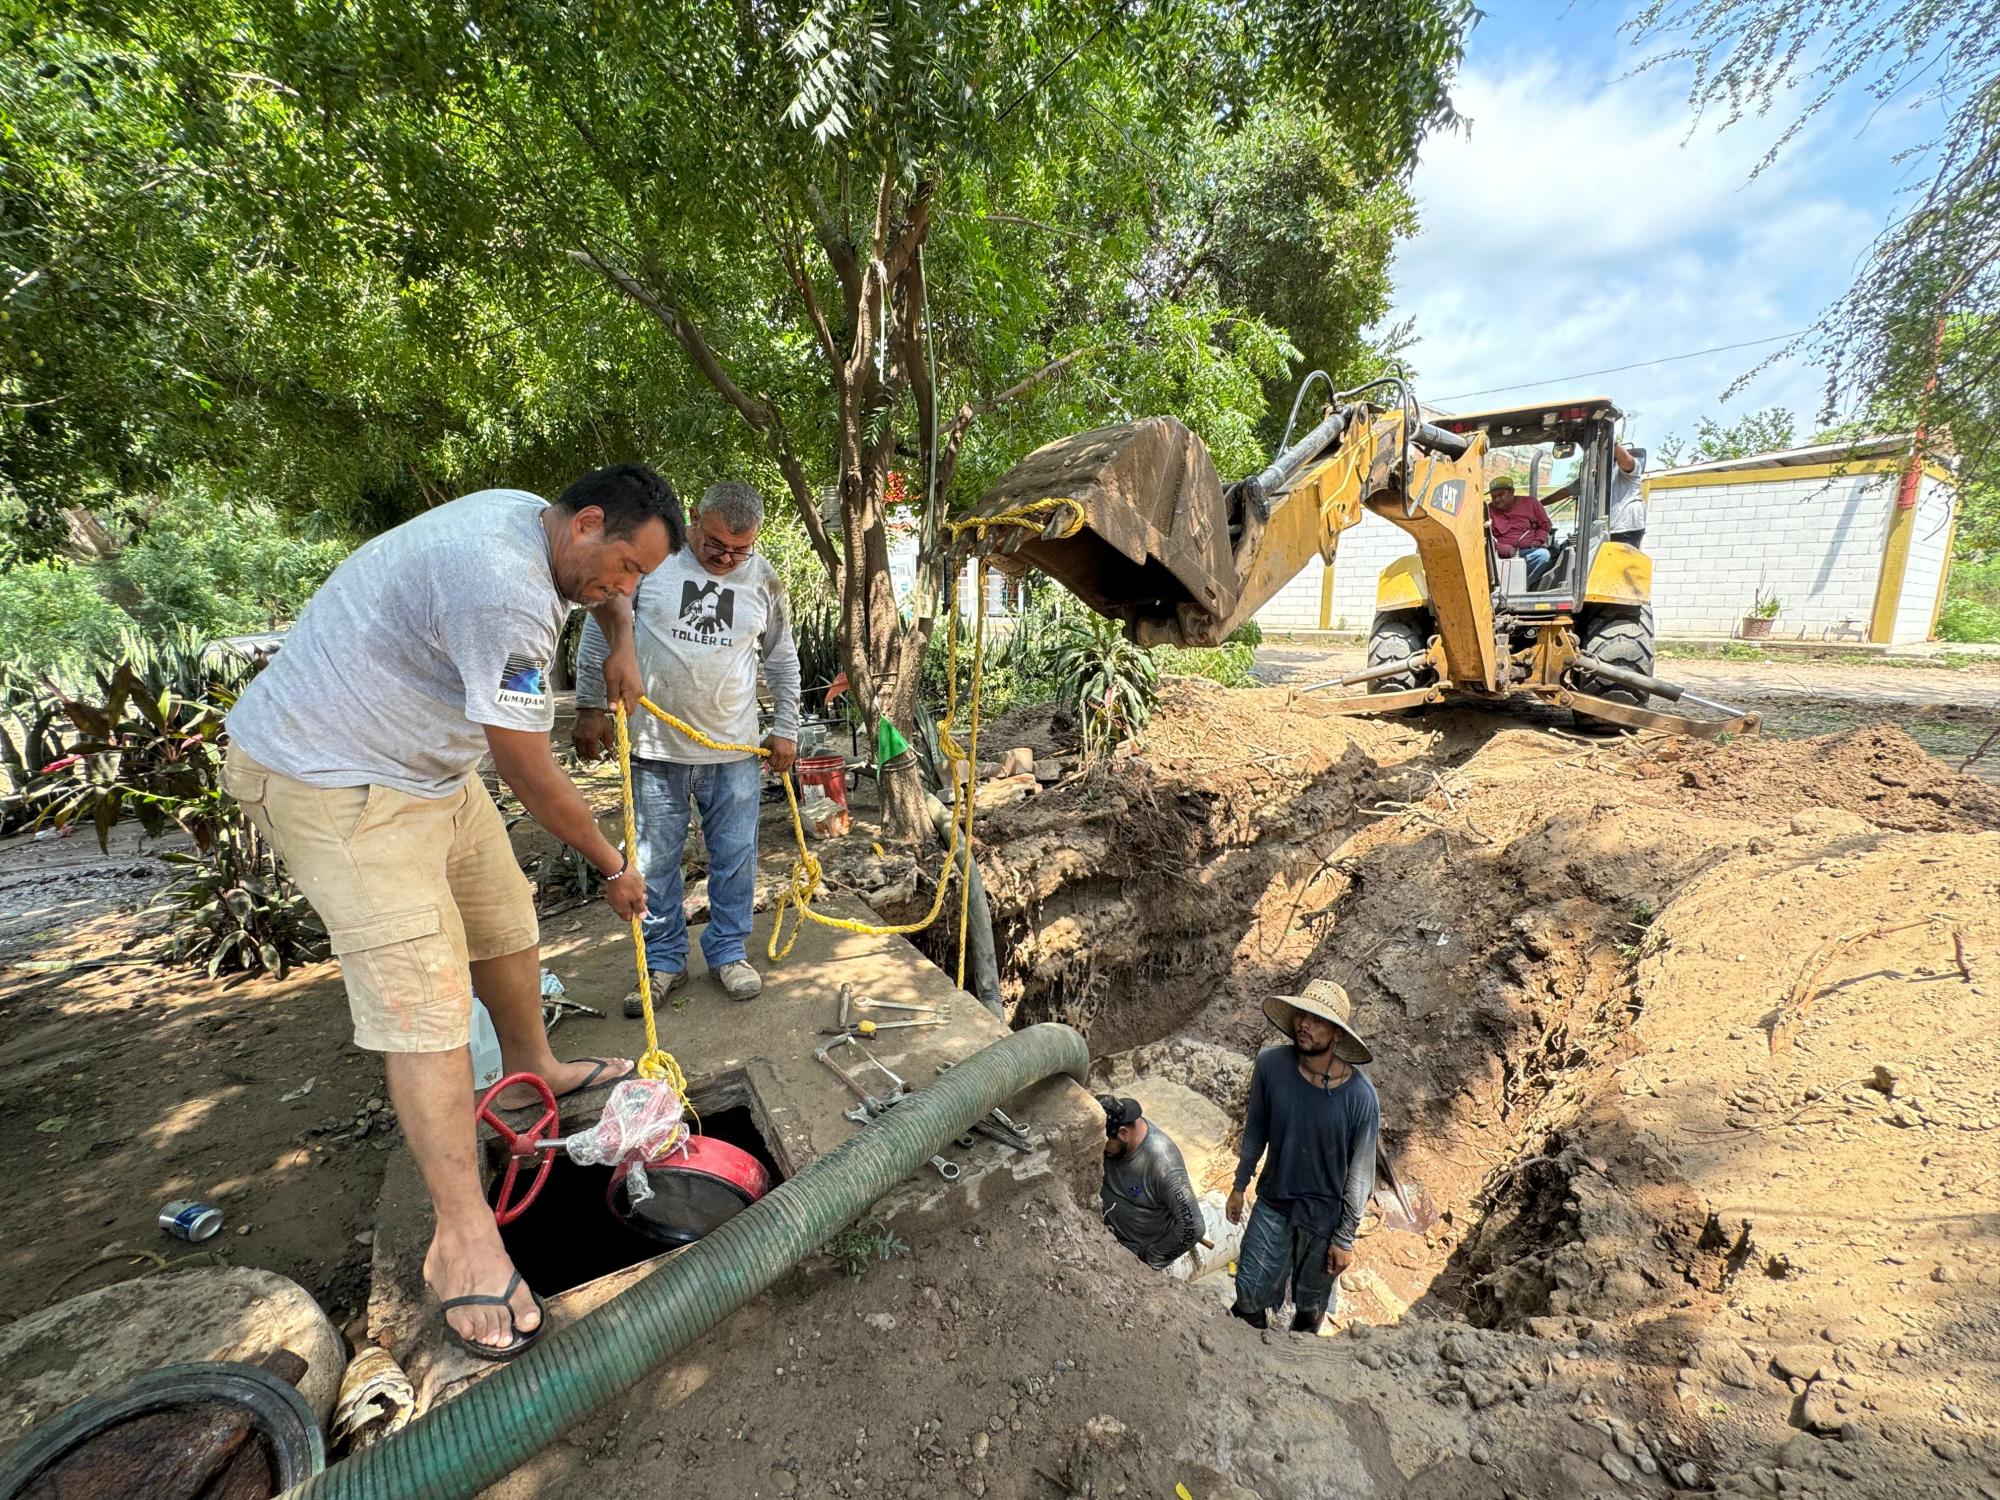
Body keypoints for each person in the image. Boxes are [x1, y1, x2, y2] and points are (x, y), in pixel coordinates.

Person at [223, 464, 677, 1361]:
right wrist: (613, 864)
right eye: (623, 566)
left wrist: (620, 627)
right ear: (586, 522)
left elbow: (601, 590)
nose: (622, 586)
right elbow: (529, 771)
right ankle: (461, 1235)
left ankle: (532, 1063)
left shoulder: (536, 522)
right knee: (424, 995)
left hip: (425, 765)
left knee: (503, 915)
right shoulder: (502, 589)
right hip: (333, 776)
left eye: (638, 577)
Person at [573, 481, 801, 1007]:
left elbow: (782, 660)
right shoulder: (654, 563)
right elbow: (600, 630)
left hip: (734, 752)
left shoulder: (763, 580)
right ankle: (663, 960)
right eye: (716, 544)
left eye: (739, 549)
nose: (726, 558)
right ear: (695, 517)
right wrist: (589, 705)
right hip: (655, 748)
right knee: (654, 861)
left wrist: (785, 726)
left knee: (736, 857)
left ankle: (727, 952)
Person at [1226, 978, 1379, 1334]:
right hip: (1275, 1200)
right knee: (1248, 1290)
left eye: (1317, 1021)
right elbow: (1256, 1129)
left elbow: (1360, 1175)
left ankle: (1295, 1365)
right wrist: (1239, 1183)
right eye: (1301, 1017)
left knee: (1310, 1307)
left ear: (1338, 1035)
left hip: (1324, 1217)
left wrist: (1344, 1238)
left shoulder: (1360, 1097)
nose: (1304, 1025)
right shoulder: (1271, 1066)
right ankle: (1248, 1354)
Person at [1097, 1094, 1204, 1270]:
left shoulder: (1163, 1164)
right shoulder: (1115, 1135)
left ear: (1123, 1133)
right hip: (1100, 1235)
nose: (1101, 1147)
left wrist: (1152, 1257)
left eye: (1105, 1142)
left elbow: (1193, 1226)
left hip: (1131, 1256)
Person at [1487, 475, 1554, 586]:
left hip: (1528, 552)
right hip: (1499, 555)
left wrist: (1537, 541)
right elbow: (1484, 537)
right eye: (1493, 497)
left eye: (1501, 495)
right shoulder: (1488, 510)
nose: (1497, 499)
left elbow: (1545, 524)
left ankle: (1521, 586)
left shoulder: (1531, 504)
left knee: (1543, 555)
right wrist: (1505, 549)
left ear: (1512, 492)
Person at [1607, 441, 1647, 547]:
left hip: (1626, 530)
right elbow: (1568, 490)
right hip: (1609, 529)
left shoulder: (1631, 469)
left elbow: (1626, 459)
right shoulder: (1599, 473)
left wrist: (1609, 438)